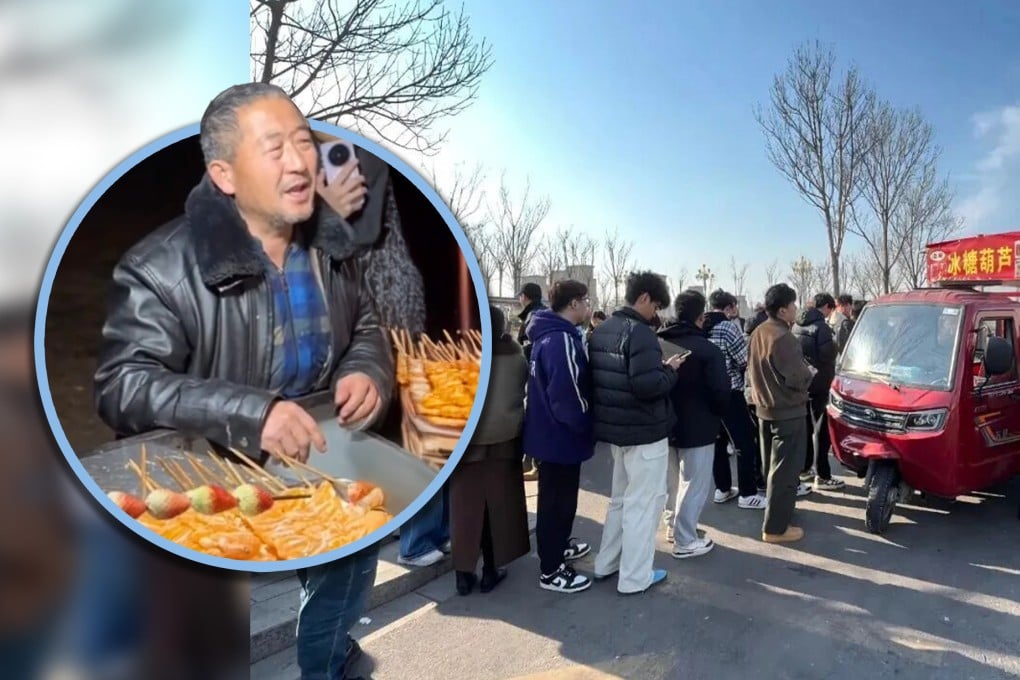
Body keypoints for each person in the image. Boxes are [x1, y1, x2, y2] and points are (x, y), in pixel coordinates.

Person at [93, 82, 393, 680]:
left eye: (304, 143)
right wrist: (254, 412)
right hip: (207, 468)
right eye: (274, 148)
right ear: (225, 175)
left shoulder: (336, 252)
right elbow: (122, 385)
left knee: (345, 565)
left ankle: (328, 661)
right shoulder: (159, 267)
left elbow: (366, 325)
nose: (299, 162)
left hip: (319, 453)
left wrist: (367, 368)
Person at [589, 272, 683, 594]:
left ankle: (607, 562)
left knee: (620, 501)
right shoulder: (640, 333)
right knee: (645, 504)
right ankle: (635, 576)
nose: (655, 313)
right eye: (655, 305)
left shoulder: (601, 330)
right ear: (644, 297)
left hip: (617, 432)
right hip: (645, 432)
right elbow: (648, 386)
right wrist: (670, 371)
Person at [449, 306, 531, 596]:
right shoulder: (516, 357)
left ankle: (462, 575)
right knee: (498, 508)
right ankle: (491, 571)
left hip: (465, 445)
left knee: (464, 509)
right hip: (503, 441)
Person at [523, 280, 595, 593]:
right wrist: (585, 422)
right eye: (586, 300)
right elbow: (567, 396)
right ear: (574, 303)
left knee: (558, 499)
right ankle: (551, 570)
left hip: (549, 434)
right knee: (556, 503)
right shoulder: (560, 340)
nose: (588, 306)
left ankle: (559, 546)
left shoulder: (550, 334)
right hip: (560, 436)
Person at [658, 290, 730, 558]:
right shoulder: (708, 350)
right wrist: (718, 416)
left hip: (664, 424)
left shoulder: (658, 344)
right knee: (693, 484)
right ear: (701, 317)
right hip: (699, 426)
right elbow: (720, 391)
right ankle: (685, 540)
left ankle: (672, 526)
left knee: (671, 483)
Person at [748, 283, 815, 544]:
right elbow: (797, 377)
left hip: (764, 409)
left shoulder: (759, 332)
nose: (796, 309)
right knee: (785, 471)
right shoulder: (783, 337)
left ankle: (778, 514)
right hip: (787, 412)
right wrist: (809, 374)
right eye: (793, 305)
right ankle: (776, 529)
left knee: (772, 469)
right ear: (783, 310)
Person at [704, 290, 767, 509]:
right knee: (744, 442)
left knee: (719, 442)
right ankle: (747, 493)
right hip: (731, 393)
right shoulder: (728, 327)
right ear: (729, 307)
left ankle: (722, 488)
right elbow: (743, 359)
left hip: (709, 395)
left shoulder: (701, 326)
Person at [793, 293, 844, 491]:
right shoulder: (822, 327)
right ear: (827, 307)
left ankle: (804, 468)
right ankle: (823, 476)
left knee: (806, 428)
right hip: (821, 383)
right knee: (823, 431)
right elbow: (827, 354)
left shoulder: (797, 324)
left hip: (803, 383)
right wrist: (835, 344)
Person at [518, 282, 547, 481]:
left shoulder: (533, 317)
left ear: (525, 296)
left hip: (534, 375)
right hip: (540, 374)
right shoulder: (543, 313)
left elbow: (527, 348)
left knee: (535, 417)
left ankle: (537, 464)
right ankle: (530, 460)